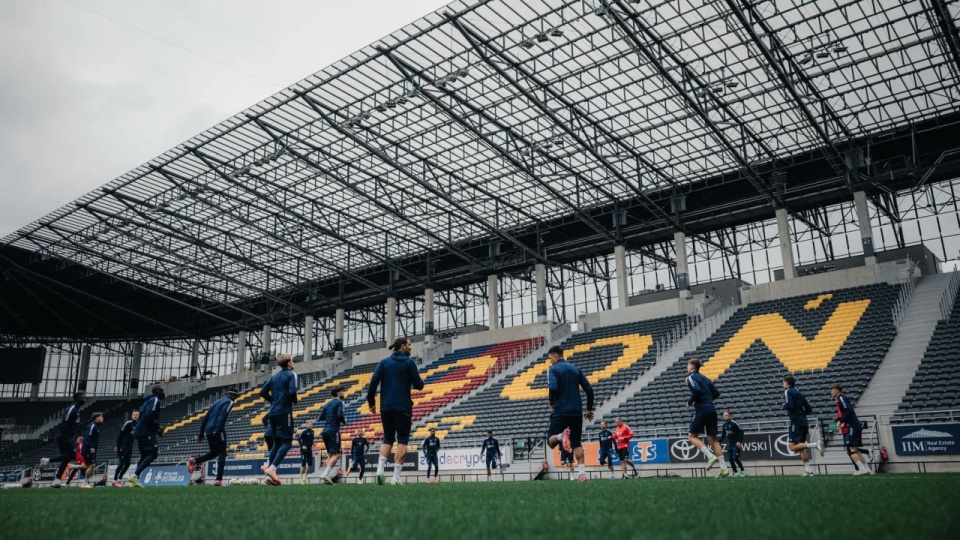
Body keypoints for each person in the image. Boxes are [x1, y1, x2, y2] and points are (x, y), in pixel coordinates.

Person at [367, 337, 424, 485]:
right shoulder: (409, 363)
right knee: (403, 441)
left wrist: (371, 403)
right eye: (409, 345)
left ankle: (380, 470)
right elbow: (419, 385)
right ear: (403, 346)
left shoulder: (384, 362)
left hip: (386, 407)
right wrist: (417, 381)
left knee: (388, 438)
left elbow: (373, 383)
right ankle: (395, 479)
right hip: (403, 407)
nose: (411, 347)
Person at [544, 345, 594, 483]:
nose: (550, 361)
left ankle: (562, 436)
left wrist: (551, 400)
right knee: (577, 443)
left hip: (561, 410)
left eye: (550, 358)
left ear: (554, 356)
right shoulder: (575, 369)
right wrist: (589, 409)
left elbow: (553, 387)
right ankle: (582, 474)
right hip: (576, 412)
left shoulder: (552, 369)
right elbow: (589, 390)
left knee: (550, 441)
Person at [685, 358, 729, 478]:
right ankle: (724, 468)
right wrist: (707, 400)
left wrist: (690, 402)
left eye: (688, 365)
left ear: (692, 367)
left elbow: (697, 390)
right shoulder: (706, 378)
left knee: (691, 436)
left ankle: (710, 456)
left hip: (702, 409)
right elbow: (716, 394)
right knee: (713, 441)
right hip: (711, 409)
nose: (687, 367)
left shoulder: (690, 378)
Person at [259, 353, 299, 486]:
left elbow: (262, 392)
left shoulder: (274, 376)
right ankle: (272, 468)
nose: (293, 363)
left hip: (273, 413)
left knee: (276, 443)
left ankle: (269, 475)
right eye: (292, 361)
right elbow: (292, 392)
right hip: (284, 412)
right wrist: (294, 401)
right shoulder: (291, 375)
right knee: (287, 443)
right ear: (288, 363)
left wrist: (274, 400)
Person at [188, 388, 240, 487]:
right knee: (222, 453)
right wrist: (218, 429)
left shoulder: (217, 402)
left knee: (213, 453)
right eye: (236, 398)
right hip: (217, 429)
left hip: (208, 429)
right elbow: (223, 415)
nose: (235, 400)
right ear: (234, 396)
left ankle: (194, 461)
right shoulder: (229, 402)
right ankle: (218, 480)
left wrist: (201, 433)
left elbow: (206, 417)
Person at [39, 391, 86, 487]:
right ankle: (48, 461)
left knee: (67, 457)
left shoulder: (76, 410)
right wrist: (67, 436)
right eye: (82, 397)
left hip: (67, 436)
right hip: (65, 436)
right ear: (77, 399)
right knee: (72, 455)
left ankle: (57, 479)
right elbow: (64, 422)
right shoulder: (72, 409)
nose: (84, 398)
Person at [782, 375, 822, 476]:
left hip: (796, 421)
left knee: (792, 447)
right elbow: (809, 409)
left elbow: (790, 405)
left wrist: (784, 406)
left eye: (783, 382)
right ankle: (809, 470)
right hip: (803, 421)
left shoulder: (788, 391)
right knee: (800, 448)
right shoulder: (799, 392)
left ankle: (814, 444)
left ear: (786, 382)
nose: (782, 384)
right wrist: (801, 415)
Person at [128, 385, 166, 487]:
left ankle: (135, 481)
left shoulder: (147, 400)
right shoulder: (155, 400)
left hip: (140, 431)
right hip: (146, 432)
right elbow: (149, 415)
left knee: (144, 456)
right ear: (158, 392)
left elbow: (145, 417)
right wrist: (158, 426)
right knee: (153, 454)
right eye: (163, 391)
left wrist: (157, 431)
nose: (164, 393)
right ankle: (134, 476)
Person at [831, 383, 871, 476]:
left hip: (851, 425)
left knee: (849, 449)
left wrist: (840, 421)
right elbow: (846, 411)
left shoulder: (841, 398)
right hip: (852, 425)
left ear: (837, 390)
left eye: (832, 390)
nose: (831, 392)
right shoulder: (841, 399)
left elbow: (848, 410)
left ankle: (862, 469)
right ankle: (866, 468)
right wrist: (838, 419)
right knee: (855, 450)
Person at [318, 386, 346, 485]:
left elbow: (320, 417)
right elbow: (339, 415)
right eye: (342, 391)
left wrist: (330, 417)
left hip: (325, 431)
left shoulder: (327, 404)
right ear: (338, 393)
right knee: (337, 454)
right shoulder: (340, 402)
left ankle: (326, 475)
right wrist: (343, 420)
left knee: (330, 454)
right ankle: (325, 474)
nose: (344, 393)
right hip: (333, 430)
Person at [77, 412, 104, 488]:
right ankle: (84, 483)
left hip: (89, 449)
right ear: (97, 418)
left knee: (88, 466)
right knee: (92, 465)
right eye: (101, 417)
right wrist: (91, 447)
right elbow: (87, 437)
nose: (103, 418)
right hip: (88, 449)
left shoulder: (96, 426)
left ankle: (74, 467)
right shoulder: (92, 426)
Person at [113, 411, 139, 487]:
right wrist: (118, 446)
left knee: (127, 464)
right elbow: (120, 434)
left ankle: (119, 479)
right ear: (132, 415)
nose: (135, 416)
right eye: (134, 414)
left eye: (137, 415)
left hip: (130, 447)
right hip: (123, 446)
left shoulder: (138, 424)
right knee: (121, 463)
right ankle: (115, 480)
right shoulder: (128, 423)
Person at [718, 411, 746, 477]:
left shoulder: (733, 423)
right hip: (730, 444)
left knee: (735, 458)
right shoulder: (724, 425)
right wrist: (718, 442)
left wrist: (739, 441)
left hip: (736, 444)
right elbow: (723, 435)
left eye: (726, 415)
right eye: (724, 415)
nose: (724, 416)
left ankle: (743, 471)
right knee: (730, 458)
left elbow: (741, 432)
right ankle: (736, 472)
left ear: (729, 416)